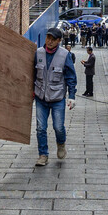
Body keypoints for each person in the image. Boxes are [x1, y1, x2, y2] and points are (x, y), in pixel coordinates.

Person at [32, 27, 76, 166]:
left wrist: (72, 96)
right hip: (41, 97)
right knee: (40, 128)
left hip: (57, 98)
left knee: (58, 127)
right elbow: (32, 74)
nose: (49, 42)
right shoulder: (38, 53)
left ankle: (61, 143)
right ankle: (43, 155)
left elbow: (70, 76)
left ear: (59, 41)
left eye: (53, 39)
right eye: (48, 38)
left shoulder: (64, 55)